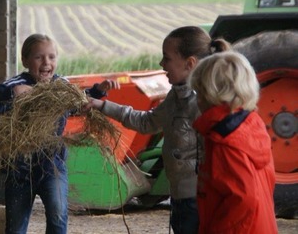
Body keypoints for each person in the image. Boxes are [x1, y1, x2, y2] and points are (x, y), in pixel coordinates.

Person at [84, 26, 231, 234]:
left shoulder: (204, 103)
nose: (161, 64)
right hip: (180, 197)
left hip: (199, 200)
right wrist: (102, 106)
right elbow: (146, 122)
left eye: (167, 58)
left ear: (189, 64)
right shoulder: (176, 97)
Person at [0, 33, 118, 234]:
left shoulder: (60, 86)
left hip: (53, 164)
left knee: (58, 214)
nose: (46, 62)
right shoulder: (17, 83)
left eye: (51, 57)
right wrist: (13, 93)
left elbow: (79, 101)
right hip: (20, 167)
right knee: (16, 227)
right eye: (39, 57)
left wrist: (98, 91)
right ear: (26, 60)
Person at [188, 51, 278, 234]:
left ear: (210, 94)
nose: (197, 100)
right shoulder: (249, 127)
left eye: (199, 92)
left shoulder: (224, 142)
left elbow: (245, 199)